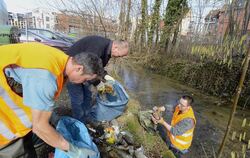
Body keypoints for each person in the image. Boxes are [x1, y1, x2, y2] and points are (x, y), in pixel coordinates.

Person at [0, 42, 103, 158]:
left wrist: (49, 116)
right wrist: (73, 150)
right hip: (5, 120)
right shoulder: (46, 78)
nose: (84, 83)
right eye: (85, 79)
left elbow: (35, 92)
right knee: (17, 148)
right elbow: (39, 127)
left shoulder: (59, 59)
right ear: (79, 68)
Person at [66, 35, 129, 122]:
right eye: (119, 56)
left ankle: (86, 117)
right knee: (78, 98)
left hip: (84, 72)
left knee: (88, 96)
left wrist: (106, 77)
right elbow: (89, 68)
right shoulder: (97, 46)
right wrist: (98, 83)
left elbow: (98, 68)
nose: (119, 58)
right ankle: (78, 122)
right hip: (73, 71)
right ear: (116, 47)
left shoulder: (108, 50)